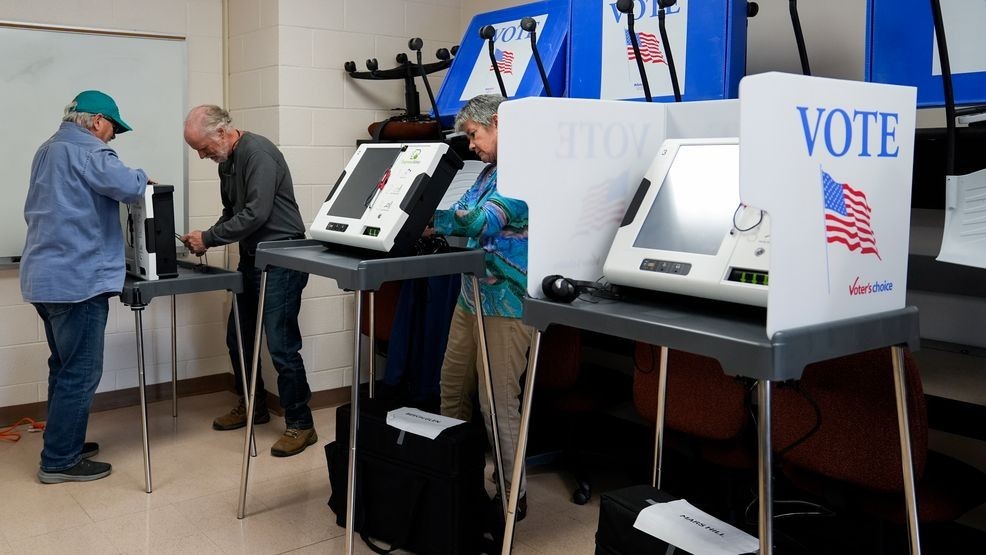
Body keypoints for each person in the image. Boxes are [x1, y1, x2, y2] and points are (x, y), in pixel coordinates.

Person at [22, 90, 148, 483]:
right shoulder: (91, 153)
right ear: (96, 122)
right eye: (113, 128)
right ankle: (60, 461)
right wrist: (144, 177)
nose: (113, 137)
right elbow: (130, 187)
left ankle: (65, 442)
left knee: (63, 367)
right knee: (81, 372)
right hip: (78, 283)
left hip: (44, 279)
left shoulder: (48, 149)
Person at [181, 105, 316, 457]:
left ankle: (301, 424)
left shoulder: (259, 153)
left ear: (224, 132)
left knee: (281, 345)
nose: (202, 155)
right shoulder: (226, 160)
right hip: (254, 257)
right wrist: (206, 236)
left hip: (283, 258)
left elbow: (256, 212)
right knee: (237, 338)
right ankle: (253, 406)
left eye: (204, 147)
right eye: (197, 149)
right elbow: (233, 212)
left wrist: (209, 238)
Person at [431, 94, 531, 519]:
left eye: (473, 135)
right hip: (472, 296)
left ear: (497, 122)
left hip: (507, 304)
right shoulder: (488, 172)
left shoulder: (526, 173)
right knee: (452, 387)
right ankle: (452, 477)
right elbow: (464, 211)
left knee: (497, 403)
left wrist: (424, 213)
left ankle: (512, 494)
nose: (470, 146)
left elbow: (476, 221)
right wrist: (451, 214)